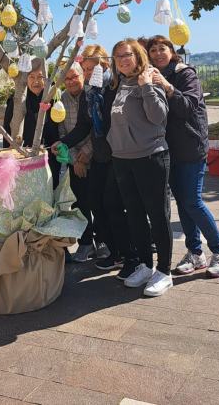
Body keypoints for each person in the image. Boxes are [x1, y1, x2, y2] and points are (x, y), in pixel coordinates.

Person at [146, 35, 219, 278]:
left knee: (193, 201)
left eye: (162, 48)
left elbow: (187, 107)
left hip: (191, 146)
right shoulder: (151, 77)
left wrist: (165, 84)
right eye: (153, 50)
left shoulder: (185, 74)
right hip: (168, 148)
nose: (158, 53)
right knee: (182, 202)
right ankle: (195, 252)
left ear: (171, 51)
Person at [52, 45, 138, 281]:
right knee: (98, 205)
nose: (89, 73)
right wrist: (65, 145)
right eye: (86, 68)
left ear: (105, 64)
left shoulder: (114, 87)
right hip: (102, 157)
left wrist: (84, 154)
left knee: (113, 205)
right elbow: (84, 127)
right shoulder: (91, 93)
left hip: (119, 155)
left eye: (93, 68)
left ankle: (132, 255)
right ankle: (117, 251)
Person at [107, 39, 173, 297]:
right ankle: (145, 265)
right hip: (123, 159)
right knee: (134, 215)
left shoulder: (148, 81)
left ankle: (164, 271)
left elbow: (159, 117)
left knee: (157, 215)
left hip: (150, 157)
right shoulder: (120, 83)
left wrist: (146, 87)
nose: (122, 60)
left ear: (137, 56)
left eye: (127, 55)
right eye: (117, 57)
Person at [57, 63, 95, 262]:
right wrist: (75, 160)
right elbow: (62, 133)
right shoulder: (61, 100)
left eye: (75, 77)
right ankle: (86, 243)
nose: (71, 81)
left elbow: (96, 129)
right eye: (67, 78)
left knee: (98, 202)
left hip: (94, 157)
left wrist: (86, 154)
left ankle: (104, 242)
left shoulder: (92, 95)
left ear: (83, 76)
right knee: (80, 204)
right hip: (75, 161)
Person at [3, 62, 60, 186]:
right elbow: (7, 127)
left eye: (40, 77)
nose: (36, 81)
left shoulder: (53, 98)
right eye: (31, 77)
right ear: (26, 79)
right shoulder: (17, 100)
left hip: (49, 156)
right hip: (23, 156)